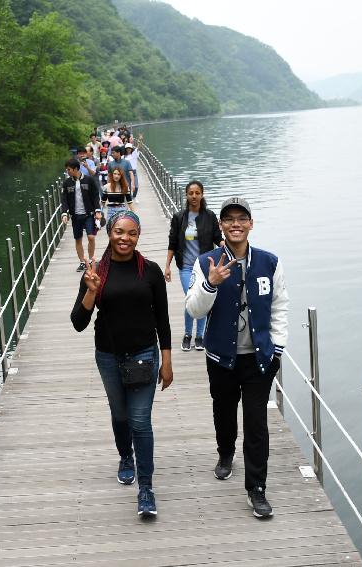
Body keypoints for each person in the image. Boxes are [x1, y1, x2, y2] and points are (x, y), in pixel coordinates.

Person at [185, 197, 289, 519]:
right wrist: (210, 284)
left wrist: (278, 348)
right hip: (221, 357)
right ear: (221, 226)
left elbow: (279, 306)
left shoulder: (269, 263)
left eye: (241, 218)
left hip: (259, 359)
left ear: (251, 223)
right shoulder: (207, 263)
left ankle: (256, 488)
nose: (235, 224)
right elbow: (193, 309)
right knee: (224, 409)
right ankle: (226, 452)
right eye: (228, 219)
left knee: (256, 422)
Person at [71, 211, 173, 517]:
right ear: (109, 233)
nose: (124, 238)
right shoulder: (96, 272)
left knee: (140, 421)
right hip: (108, 355)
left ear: (138, 235)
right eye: (118, 231)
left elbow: (163, 320)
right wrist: (91, 291)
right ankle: (125, 457)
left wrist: (166, 362)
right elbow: (78, 322)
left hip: (144, 354)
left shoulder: (151, 271)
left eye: (131, 233)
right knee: (120, 415)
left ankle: (146, 488)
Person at [164, 180, 223, 352]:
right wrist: (167, 266)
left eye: (197, 193)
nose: (194, 196)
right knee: (192, 298)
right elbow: (172, 243)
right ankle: (188, 334)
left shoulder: (209, 216)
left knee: (202, 298)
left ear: (202, 194)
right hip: (186, 267)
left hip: (204, 267)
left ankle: (200, 336)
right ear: (187, 195)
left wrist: (228, 247)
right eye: (191, 193)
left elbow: (216, 237)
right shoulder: (179, 217)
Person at [61, 158, 102, 271]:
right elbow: (64, 200)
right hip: (76, 216)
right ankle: (82, 262)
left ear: (76, 169)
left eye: (69, 169)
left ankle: (90, 260)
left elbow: (95, 196)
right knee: (78, 239)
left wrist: (98, 211)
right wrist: (64, 213)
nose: (67, 171)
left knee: (91, 237)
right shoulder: (67, 183)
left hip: (89, 214)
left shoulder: (89, 180)